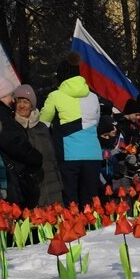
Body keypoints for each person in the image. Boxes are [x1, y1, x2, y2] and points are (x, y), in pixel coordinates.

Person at [38, 54, 102, 207]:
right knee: (91, 203)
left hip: (68, 155)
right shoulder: (93, 97)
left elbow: (42, 124)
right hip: (93, 153)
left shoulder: (55, 96)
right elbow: (96, 123)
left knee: (70, 201)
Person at [0, 75, 43, 207]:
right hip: (7, 176)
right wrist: (35, 157)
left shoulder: (1, 112)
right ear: (1, 95)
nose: (13, 100)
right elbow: (12, 142)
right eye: (10, 95)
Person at [13, 84, 63, 207]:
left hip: (51, 181)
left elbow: (53, 156)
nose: (22, 105)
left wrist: (60, 181)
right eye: (18, 101)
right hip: (30, 184)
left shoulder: (42, 127)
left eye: (26, 101)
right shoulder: (13, 127)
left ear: (32, 105)